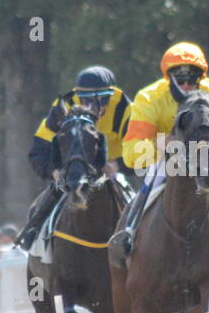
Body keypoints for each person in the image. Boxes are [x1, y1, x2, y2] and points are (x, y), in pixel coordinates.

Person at [108, 43, 209, 267]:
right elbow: (131, 154)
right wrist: (163, 144)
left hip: (206, 157)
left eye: (192, 78)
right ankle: (128, 233)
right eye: (180, 80)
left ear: (202, 76)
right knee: (149, 185)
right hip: (167, 160)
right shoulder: (148, 97)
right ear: (169, 78)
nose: (187, 85)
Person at [17, 65, 130, 251]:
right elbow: (38, 150)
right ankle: (33, 233)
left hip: (110, 171)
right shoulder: (64, 106)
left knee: (138, 202)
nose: (91, 107)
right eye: (85, 100)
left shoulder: (126, 109)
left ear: (110, 96)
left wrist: (118, 165)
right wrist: (52, 171)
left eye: (100, 100)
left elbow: (143, 150)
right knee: (41, 204)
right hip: (72, 171)